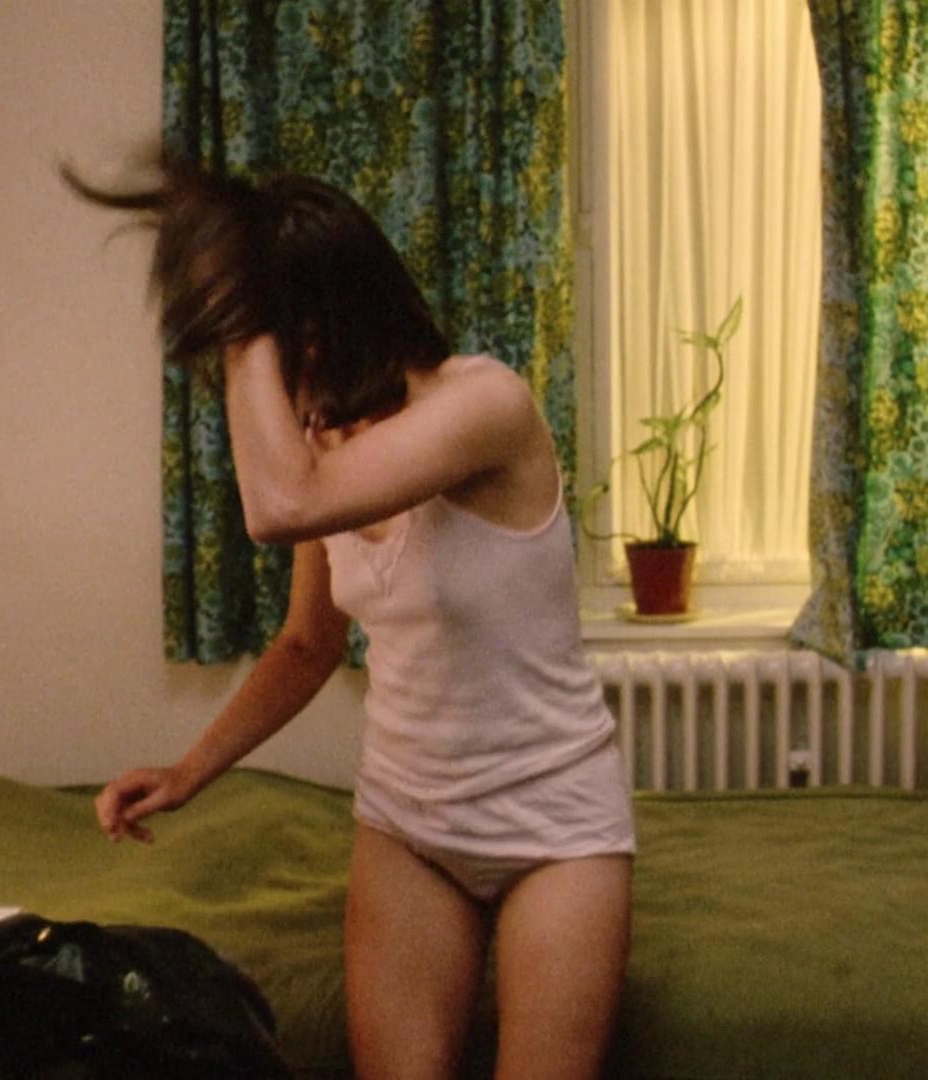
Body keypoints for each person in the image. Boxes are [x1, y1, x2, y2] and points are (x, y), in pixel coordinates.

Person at [72, 157, 635, 1080]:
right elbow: (307, 643)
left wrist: (238, 302)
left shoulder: (484, 404)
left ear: (326, 319)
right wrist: (188, 771)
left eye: (269, 336)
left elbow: (277, 508)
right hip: (408, 822)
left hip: (554, 821)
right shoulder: (325, 449)